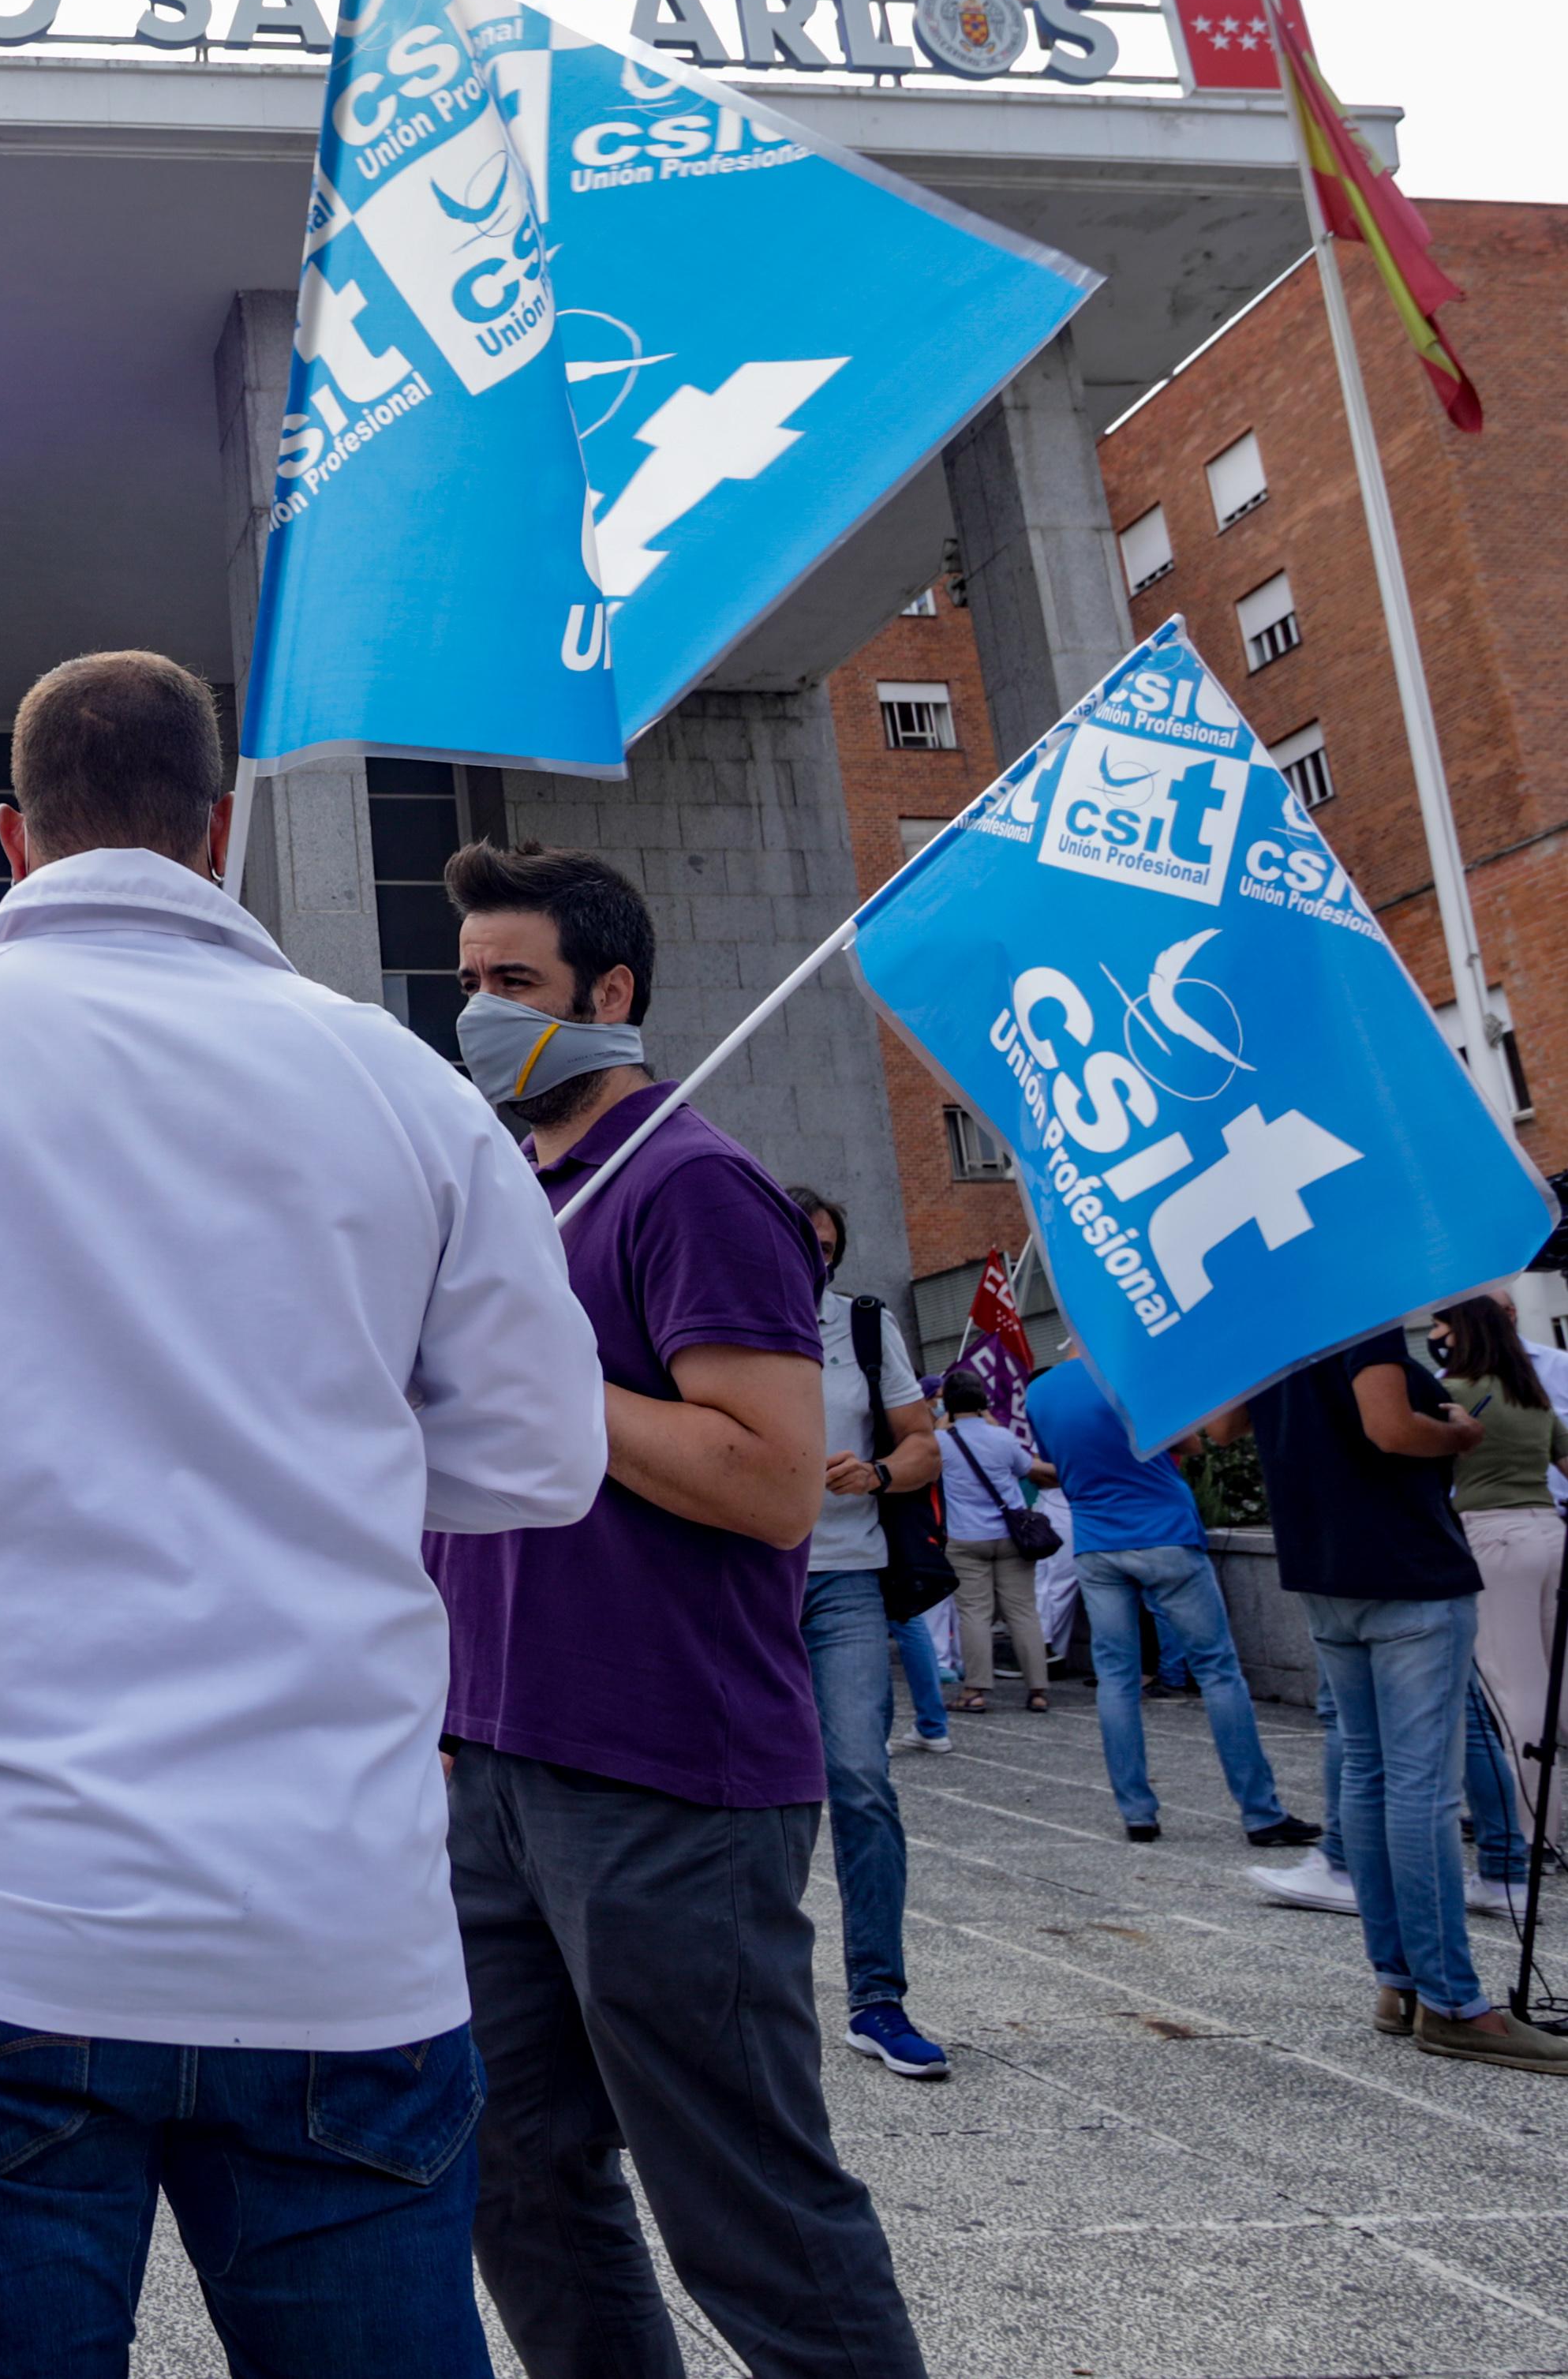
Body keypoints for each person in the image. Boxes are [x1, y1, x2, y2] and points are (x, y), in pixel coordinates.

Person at [0, 654, 606, 2379]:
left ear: (12, 836)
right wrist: (310, 1457)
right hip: (338, 1925)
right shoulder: (407, 1085)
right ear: (217, 833)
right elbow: (541, 1451)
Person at [429, 843, 928, 2378]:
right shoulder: (522, 1193)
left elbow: (775, 1480)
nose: (476, 1014)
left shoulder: (691, 1182)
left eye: (511, 983)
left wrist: (548, 1386)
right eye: (465, 984)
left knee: (747, 2212)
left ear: (612, 994)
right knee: (514, 2180)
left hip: (668, 1781)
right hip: (500, 1767)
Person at [1241, 1326, 1568, 2070]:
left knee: (1369, 1771)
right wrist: (1458, 1431)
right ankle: (1452, 2001)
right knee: (1420, 1788)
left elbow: (1223, 1424)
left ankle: (1397, 1981)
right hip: (1406, 1567)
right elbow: (1390, 1427)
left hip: (1322, 1568)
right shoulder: (1359, 1315)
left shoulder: (1265, 1324)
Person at [783, 1187, 956, 2081]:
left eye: (826, 1247)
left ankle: (876, 1999)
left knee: (859, 1779)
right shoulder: (714, 1306)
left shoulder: (857, 1325)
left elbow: (923, 1444)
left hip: (843, 1581)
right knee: (742, 1796)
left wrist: (879, 1471)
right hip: (735, 1584)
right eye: (798, 1240)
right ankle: (749, 1995)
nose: (814, 1258)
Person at [1025, 1339, 1310, 1853]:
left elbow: (1052, 1460)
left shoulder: (1040, 1391)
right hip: (1165, 1533)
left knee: (1116, 1679)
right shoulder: (1132, 1372)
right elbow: (1194, 1443)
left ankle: (1137, 1813)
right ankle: (1260, 1812)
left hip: (1096, 1543)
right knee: (1218, 1670)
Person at [1435, 1288, 1567, 1899]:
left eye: (1445, 1325)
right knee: (1550, 1681)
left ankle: (1532, 1829)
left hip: (1492, 1538)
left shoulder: (1456, 1396)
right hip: (1548, 1530)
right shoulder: (1534, 1394)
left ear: (1463, 1331)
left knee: (1513, 1686)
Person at [930, 1371, 1051, 1720]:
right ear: (983, 1402)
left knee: (974, 1615)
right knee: (1024, 1612)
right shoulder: (1002, 1437)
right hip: (1012, 1536)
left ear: (947, 1404)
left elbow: (930, 1452)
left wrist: (942, 1424)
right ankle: (1038, 1690)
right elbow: (1029, 1468)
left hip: (967, 1538)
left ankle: (975, 1691)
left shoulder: (942, 1441)